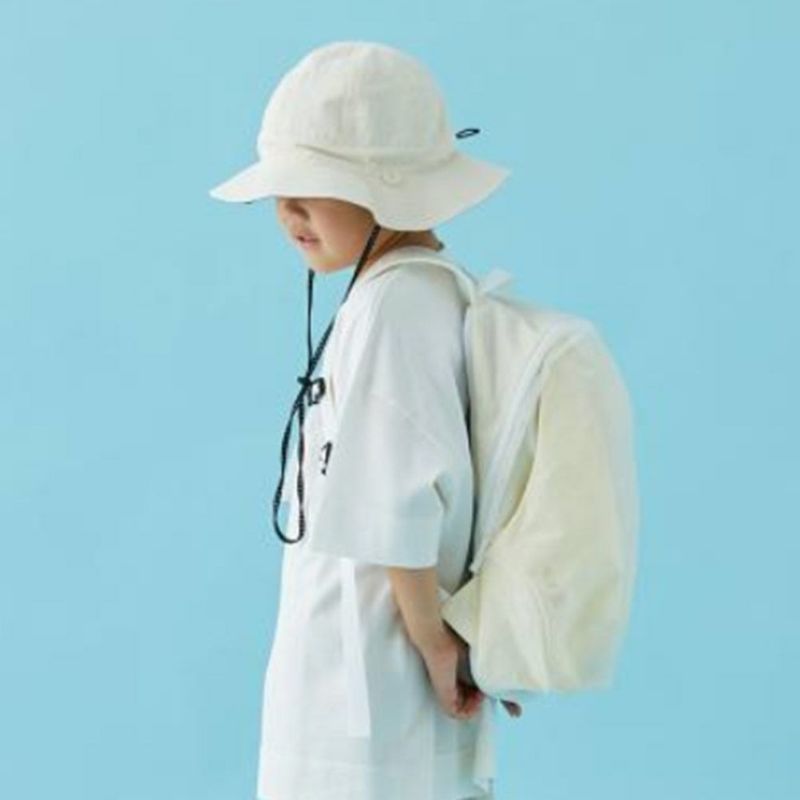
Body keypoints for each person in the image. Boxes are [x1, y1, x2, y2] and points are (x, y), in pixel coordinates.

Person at [208, 40, 514, 800]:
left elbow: (399, 501)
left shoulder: (397, 304)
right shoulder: (412, 292)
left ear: (389, 190)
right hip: (365, 663)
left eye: (311, 188)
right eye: (280, 191)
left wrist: (433, 645)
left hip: (373, 669)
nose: (287, 212)